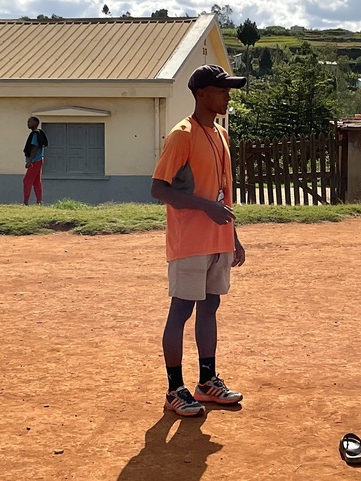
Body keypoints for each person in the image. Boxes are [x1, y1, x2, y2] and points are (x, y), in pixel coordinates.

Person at [150, 64, 247, 417]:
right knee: (181, 310)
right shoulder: (182, 134)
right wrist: (205, 207)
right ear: (202, 93)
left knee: (210, 307)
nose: (227, 96)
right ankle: (175, 389)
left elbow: (222, 191)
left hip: (217, 239)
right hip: (189, 240)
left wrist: (232, 236)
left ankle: (207, 382)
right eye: (222, 90)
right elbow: (158, 189)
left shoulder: (220, 134)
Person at [23, 116, 47, 205]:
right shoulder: (38, 133)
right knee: (36, 182)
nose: (28, 123)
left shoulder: (35, 134)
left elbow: (35, 147)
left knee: (27, 180)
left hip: (35, 161)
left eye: (30, 121)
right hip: (39, 160)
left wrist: (30, 161)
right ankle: (39, 201)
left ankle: (26, 201)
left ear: (35, 123)